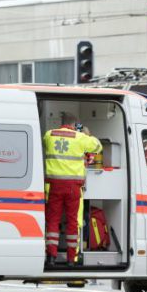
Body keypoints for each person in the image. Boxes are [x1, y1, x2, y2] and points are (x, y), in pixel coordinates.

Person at [43, 112, 101, 267]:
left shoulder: (49, 135)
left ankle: (51, 257)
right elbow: (97, 146)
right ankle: (70, 259)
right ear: (75, 125)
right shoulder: (80, 137)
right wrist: (85, 133)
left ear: (61, 122)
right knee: (72, 222)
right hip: (72, 188)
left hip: (53, 185)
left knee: (53, 221)